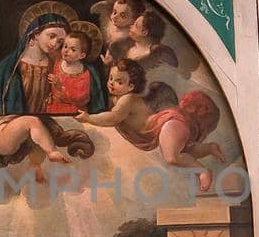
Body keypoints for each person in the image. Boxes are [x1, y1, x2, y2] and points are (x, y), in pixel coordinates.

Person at [78, 59, 227, 191]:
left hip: (167, 124)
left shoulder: (127, 100)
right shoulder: (117, 99)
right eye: (110, 78)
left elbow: (112, 118)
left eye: (119, 81)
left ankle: (202, 171)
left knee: (172, 157)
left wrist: (89, 118)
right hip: (169, 126)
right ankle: (209, 148)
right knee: (186, 150)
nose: (111, 83)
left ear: (131, 87)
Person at [44, 27, 107, 115]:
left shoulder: (84, 74)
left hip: (73, 111)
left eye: (72, 49)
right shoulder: (57, 63)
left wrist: (59, 86)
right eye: (65, 46)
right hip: (53, 107)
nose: (66, 50)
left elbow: (81, 99)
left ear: (82, 55)